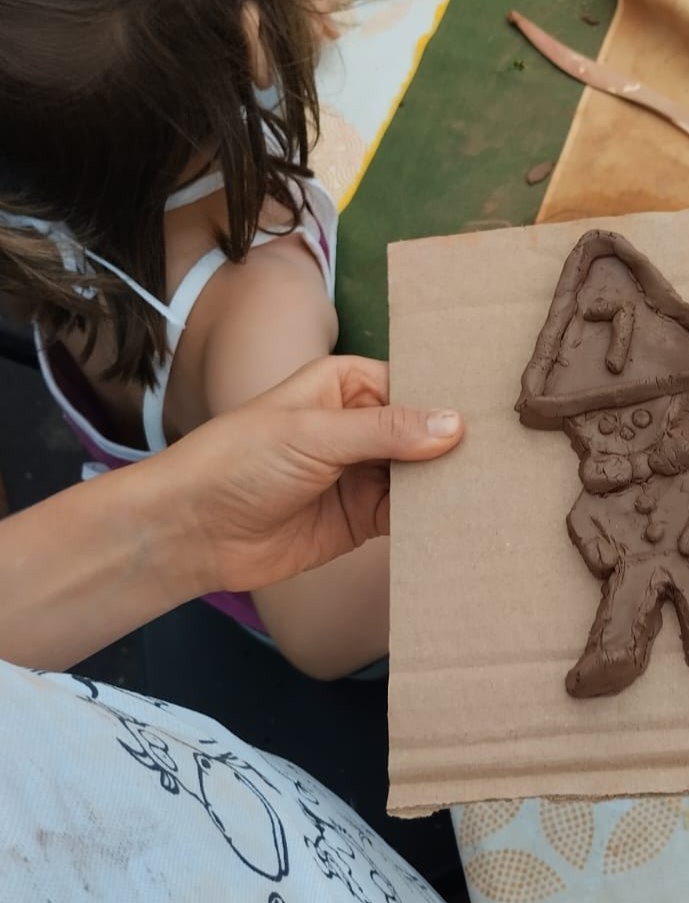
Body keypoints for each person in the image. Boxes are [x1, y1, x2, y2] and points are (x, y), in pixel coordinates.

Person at [0, 356, 689, 901]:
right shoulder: (601, 499)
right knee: (632, 608)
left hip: (283, 827)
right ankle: (625, 644)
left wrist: (178, 528)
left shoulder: (688, 475)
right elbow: (590, 527)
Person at [0, 0, 415, 680]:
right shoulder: (258, 305)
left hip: (149, 542)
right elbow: (322, 626)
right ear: (249, 37)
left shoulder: (43, 225)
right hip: (289, 578)